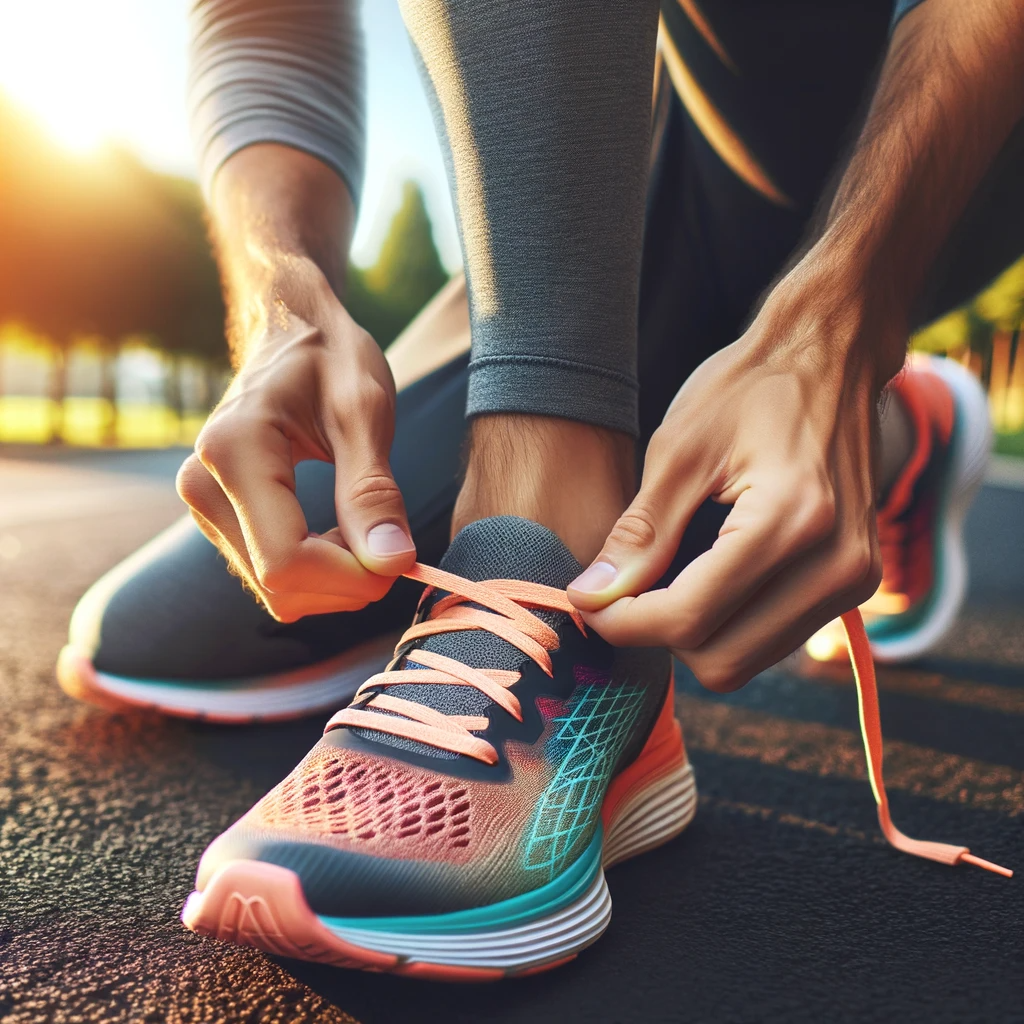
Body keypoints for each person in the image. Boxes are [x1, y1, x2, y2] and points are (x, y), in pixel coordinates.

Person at [66, 0, 1023, 975]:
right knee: (167, 636)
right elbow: (265, 15)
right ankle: (898, 432)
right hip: (600, 152)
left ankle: (570, 526)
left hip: (903, 103)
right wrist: (280, 300)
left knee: (540, 511)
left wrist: (845, 315)